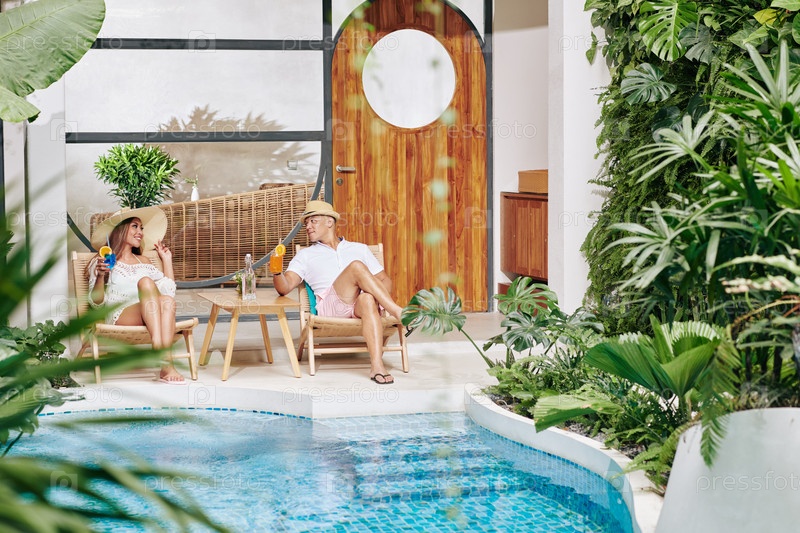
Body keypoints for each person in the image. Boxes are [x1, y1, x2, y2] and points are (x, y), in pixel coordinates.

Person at [272, 200, 405, 384]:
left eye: (313, 221)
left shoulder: (359, 248)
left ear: (329, 222)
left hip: (360, 306)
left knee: (367, 298)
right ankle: (398, 312)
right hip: (332, 307)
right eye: (306, 223)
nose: (308, 227)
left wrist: (376, 300)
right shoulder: (305, 255)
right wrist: (276, 269)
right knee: (356, 267)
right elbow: (284, 287)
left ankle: (377, 366)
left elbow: (385, 280)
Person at [86, 206, 185, 384]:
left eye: (141, 228)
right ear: (120, 229)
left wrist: (167, 260)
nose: (140, 232)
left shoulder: (144, 261)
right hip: (121, 315)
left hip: (150, 313)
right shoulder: (104, 261)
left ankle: (164, 362)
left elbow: (168, 291)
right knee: (146, 282)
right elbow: (96, 303)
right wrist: (100, 276)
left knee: (168, 301)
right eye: (135, 226)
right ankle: (161, 351)